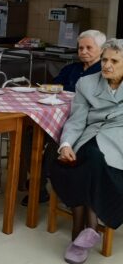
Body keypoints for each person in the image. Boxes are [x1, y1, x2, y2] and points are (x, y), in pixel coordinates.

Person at [49, 38, 123, 264]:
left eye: (114, 61)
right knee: (71, 159)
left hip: (119, 139)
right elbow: (77, 120)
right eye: (104, 60)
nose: (107, 65)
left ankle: (81, 227)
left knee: (91, 159)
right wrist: (66, 144)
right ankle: (89, 230)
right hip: (90, 136)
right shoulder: (86, 83)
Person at [20, 29, 106, 206]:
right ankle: (39, 184)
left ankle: (38, 186)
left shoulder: (103, 73)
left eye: (89, 47)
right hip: (56, 118)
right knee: (27, 135)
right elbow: (53, 87)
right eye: (80, 48)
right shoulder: (71, 68)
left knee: (55, 143)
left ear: (102, 50)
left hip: (81, 125)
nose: (83, 51)